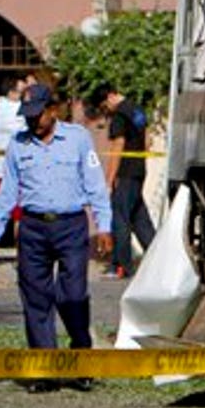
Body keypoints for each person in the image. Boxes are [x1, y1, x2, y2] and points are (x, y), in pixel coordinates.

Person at [0, 83, 112, 393]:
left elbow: (95, 184)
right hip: (33, 228)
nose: (31, 122)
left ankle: (81, 359)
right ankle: (45, 368)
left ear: (52, 111)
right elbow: (7, 192)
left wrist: (104, 226)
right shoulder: (18, 143)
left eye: (36, 115)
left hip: (70, 225)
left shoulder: (78, 138)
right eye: (26, 116)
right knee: (36, 299)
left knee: (73, 295)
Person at [88, 83, 154, 278]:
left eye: (103, 107)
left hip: (124, 173)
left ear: (109, 97)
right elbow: (147, 139)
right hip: (139, 170)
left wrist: (109, 180)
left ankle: (121, 265)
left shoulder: (119, 115)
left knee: (120, 219)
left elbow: (118, 146)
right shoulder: (136, 110)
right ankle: (157, 261)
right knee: (140, 219)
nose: (104, 111)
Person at [0, 75, 27, 246]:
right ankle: (22, 250)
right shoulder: (19, 111)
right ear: (12, 92)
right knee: (20, 215)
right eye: (21, 91)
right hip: (18, 169)